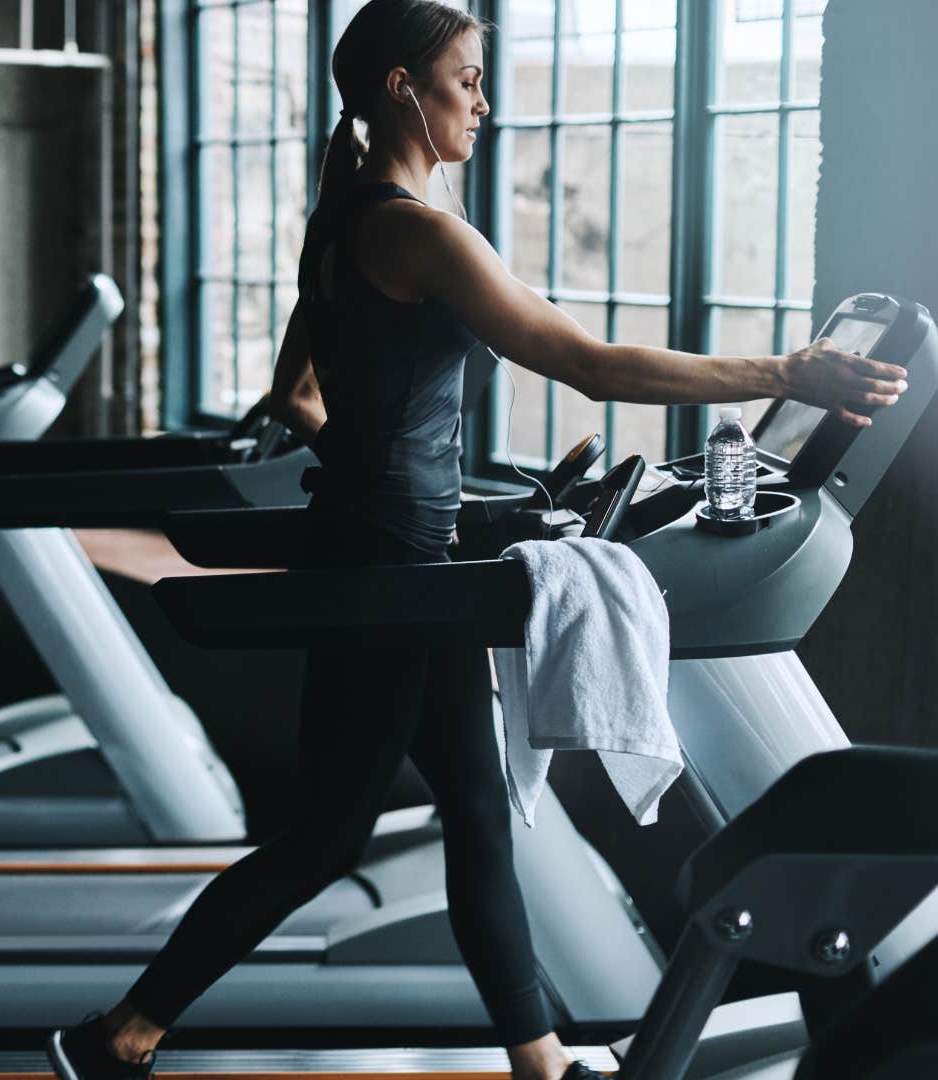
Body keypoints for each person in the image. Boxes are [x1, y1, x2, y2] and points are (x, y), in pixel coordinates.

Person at [45, 3, 909, 1080]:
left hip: (401, 558)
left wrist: (401, 486)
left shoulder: (345, 213)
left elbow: (297, 392)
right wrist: (785, 375)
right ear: (404, 87)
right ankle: (117, 1038)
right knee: (325, 838)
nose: (484, 103)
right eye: (467, 80)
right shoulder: (413, 228)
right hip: (398, 572)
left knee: (479, 820)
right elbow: (584, 361)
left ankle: (539, 1065)